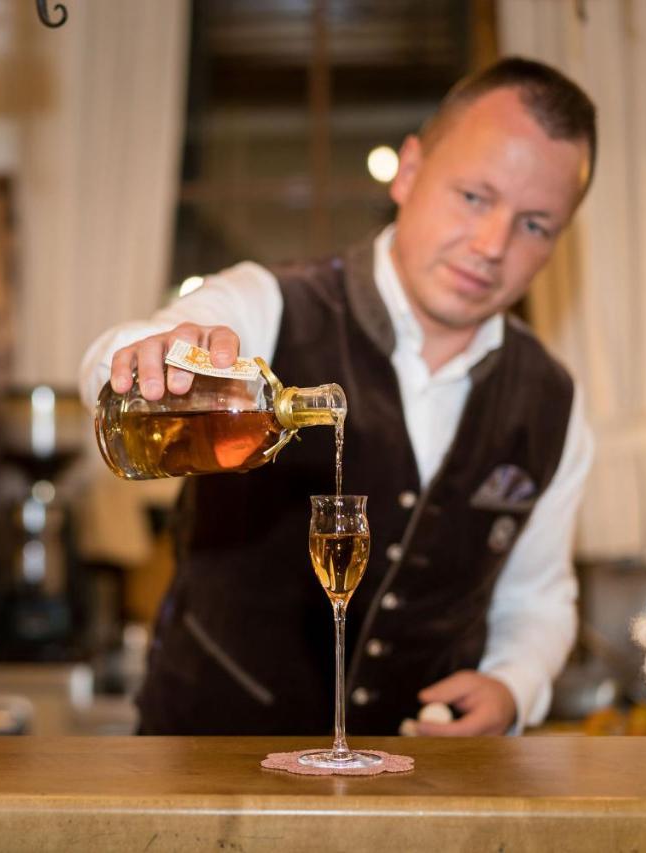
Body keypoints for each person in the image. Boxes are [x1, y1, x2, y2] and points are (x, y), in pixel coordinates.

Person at [79, 57, 597, 737]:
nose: (491, 244)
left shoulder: (553, 400)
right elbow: (115, 357)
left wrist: (514, 685)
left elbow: (539, 596)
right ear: (409, 172)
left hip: (413, 793)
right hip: (205, 765)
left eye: (535, 224)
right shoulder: (272, 303)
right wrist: (142, 355)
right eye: (474, 196)